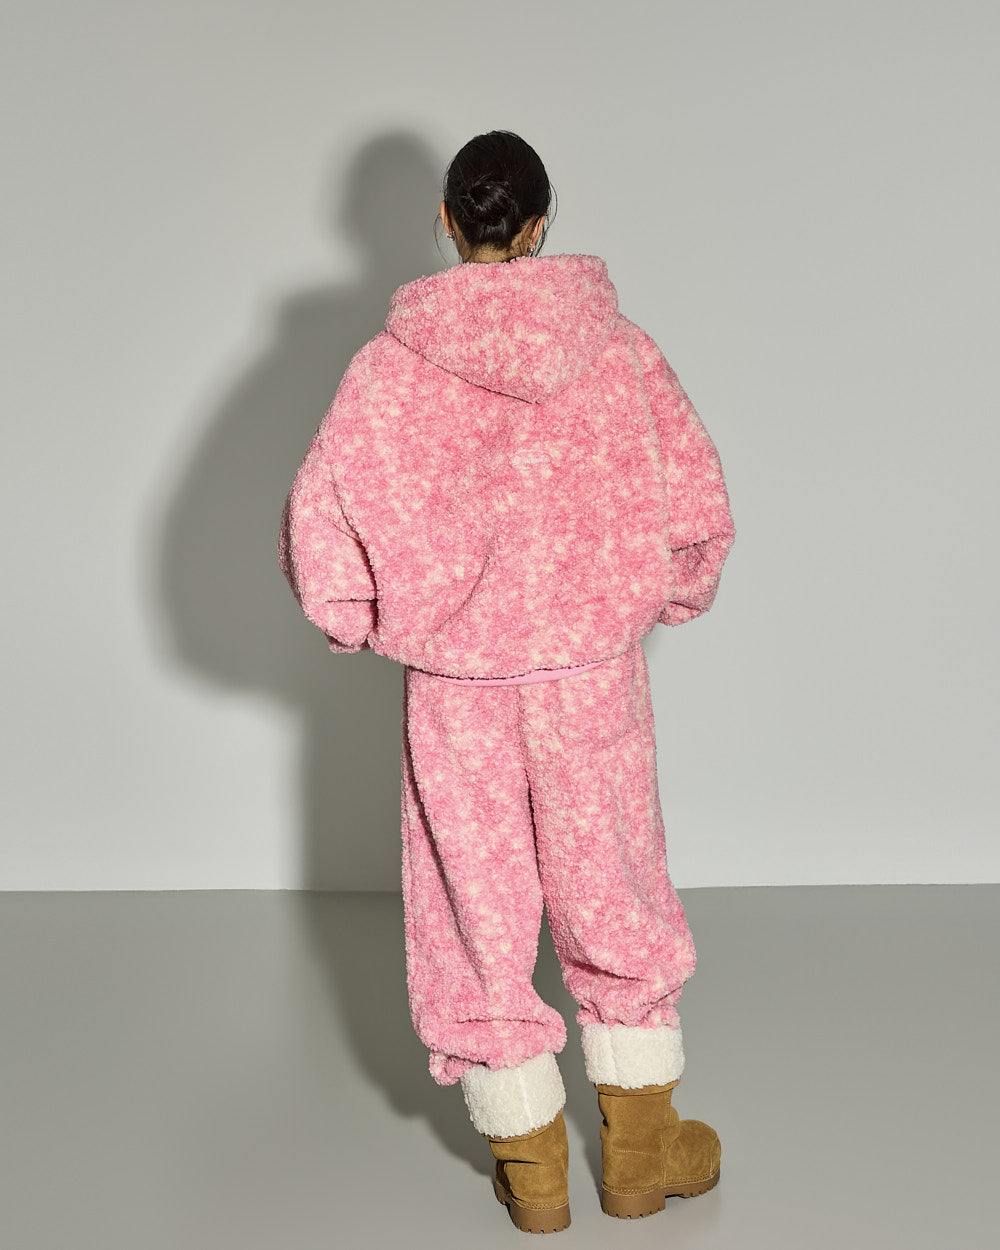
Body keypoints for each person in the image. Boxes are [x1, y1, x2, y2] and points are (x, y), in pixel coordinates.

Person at [278, 129, 735, 1234]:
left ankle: (532, 1172)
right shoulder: (620, 350)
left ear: (448, 222)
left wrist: (357, 619)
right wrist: (677, 585)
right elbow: (692, 501)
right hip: (590, 680)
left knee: (469, 910)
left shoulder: (385, 370)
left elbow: (320, 521)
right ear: (539, 224)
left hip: (459, 691)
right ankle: (640, 1153)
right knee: (614, 887)